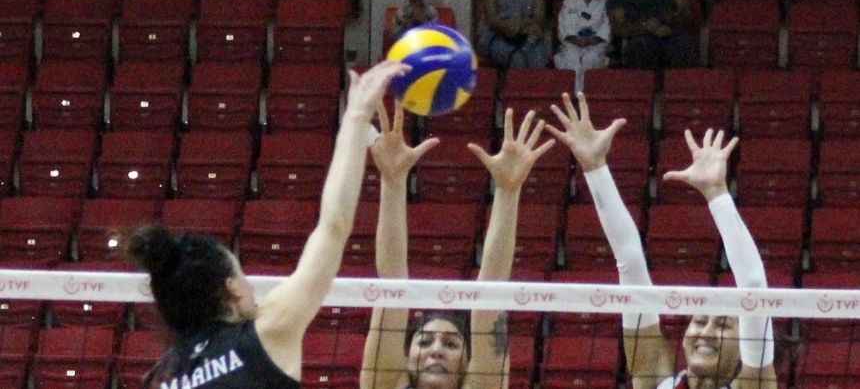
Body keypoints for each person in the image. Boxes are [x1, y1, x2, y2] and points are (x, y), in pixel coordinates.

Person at [127, 61, 412, 389]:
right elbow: (332, 226)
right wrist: (356, 117)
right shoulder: (267, 332)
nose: (251, 288)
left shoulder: (162, 377)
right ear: (233, 290)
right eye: (242, 276)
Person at [547, 92, 776, 389]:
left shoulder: (754, 384)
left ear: (747, 343)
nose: (706, 332)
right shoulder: (655, 377)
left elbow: (754, 286)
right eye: (699, 321)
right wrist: (595, 168)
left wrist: (717, 194)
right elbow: (630, 262)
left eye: (723, 325)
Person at [360, 103, 555, 389]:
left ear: (468, 365)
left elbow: (491, 294)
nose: (436, 350)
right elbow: (392, 284)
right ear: (406, 357)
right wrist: (392, 181)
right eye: (425, 341)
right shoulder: (384, 384)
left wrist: (508, 191)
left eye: (451, 344)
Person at [554, 0, 611, 94]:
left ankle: (586, 99)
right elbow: (564, 27)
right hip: (572, 44)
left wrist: (592, 40)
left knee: (591, 59)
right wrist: (575, 39)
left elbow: (606, 29)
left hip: (596, 45)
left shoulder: (605, 4)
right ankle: (573, 98)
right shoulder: (569, 3)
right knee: (572, 58)